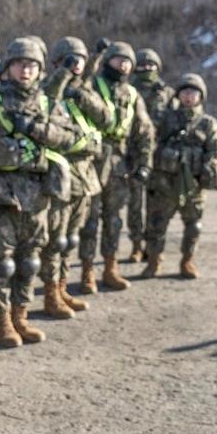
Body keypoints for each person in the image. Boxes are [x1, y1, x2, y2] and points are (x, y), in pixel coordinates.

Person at [0, 37, 80, 347]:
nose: (25, 71)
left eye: (31, 65)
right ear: (8, 67)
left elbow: (69, 137)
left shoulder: (46, 101)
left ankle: (21, 316)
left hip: (38, 192)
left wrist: (36, 128)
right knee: (2, 264)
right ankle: (2, 322)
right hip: (3, 193)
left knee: (30, 262)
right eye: (19, 64)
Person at [39, 37, 109, 318]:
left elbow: (105, 119)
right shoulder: (48, 90)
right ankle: (49, 293)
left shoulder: (83, 90)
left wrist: (81, 92)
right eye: (70, 60)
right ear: (57, 62)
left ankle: (61, 287)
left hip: (85, 175)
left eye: (79, 59)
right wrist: (64, 75)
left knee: (70, 239)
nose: (76, 64)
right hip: (61, 175)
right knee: (55, 240)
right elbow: (47, 104)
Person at [77, 41, 153, 294]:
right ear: (107, 60)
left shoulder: (132, 94)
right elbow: (79, 81)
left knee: (114, 220)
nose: (123, 63)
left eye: (128, 60)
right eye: (118, 58)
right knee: (89, 221)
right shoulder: (94, 85)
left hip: (119, 164)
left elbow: (144, 132)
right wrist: (94, 55)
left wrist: (144, 164)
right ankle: (87, 271)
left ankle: (111, 268)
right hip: (93, 161)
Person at [141, 73, 217, 279]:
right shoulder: (165, 118)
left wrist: (208, 166)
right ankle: (154, 261)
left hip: (192, 186)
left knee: (194, 226)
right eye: (185, 92)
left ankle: (187, 261)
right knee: (155, 226)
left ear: (201, 97)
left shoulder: (207, 124)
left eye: (193, 92)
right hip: (163, 184)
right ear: (178, 95)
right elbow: (148, 134)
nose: (189, 96)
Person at [128, 48, 175, 263]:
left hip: (160, 157)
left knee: (157, 206)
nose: (147, 68)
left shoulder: (166, 92)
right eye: (143, 65)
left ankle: (152, 246)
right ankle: (136, 245)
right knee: (135, 205)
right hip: (134, 155)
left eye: (151, 65)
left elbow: (175, 120)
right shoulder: (128, 90)